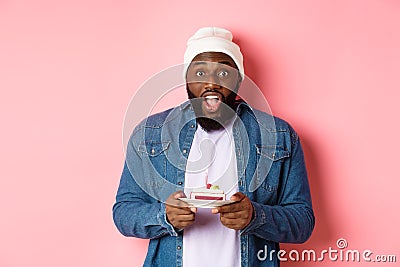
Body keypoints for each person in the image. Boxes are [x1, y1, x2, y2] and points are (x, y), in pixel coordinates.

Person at [113, 27, 315, 267]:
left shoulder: (278, 135)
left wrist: (256, 216)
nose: (211, 83)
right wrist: (163, 216)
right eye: (199, 72)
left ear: (238, 79)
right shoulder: (150, 134)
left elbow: (302, 223)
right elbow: (123, 213)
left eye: (223, 73)